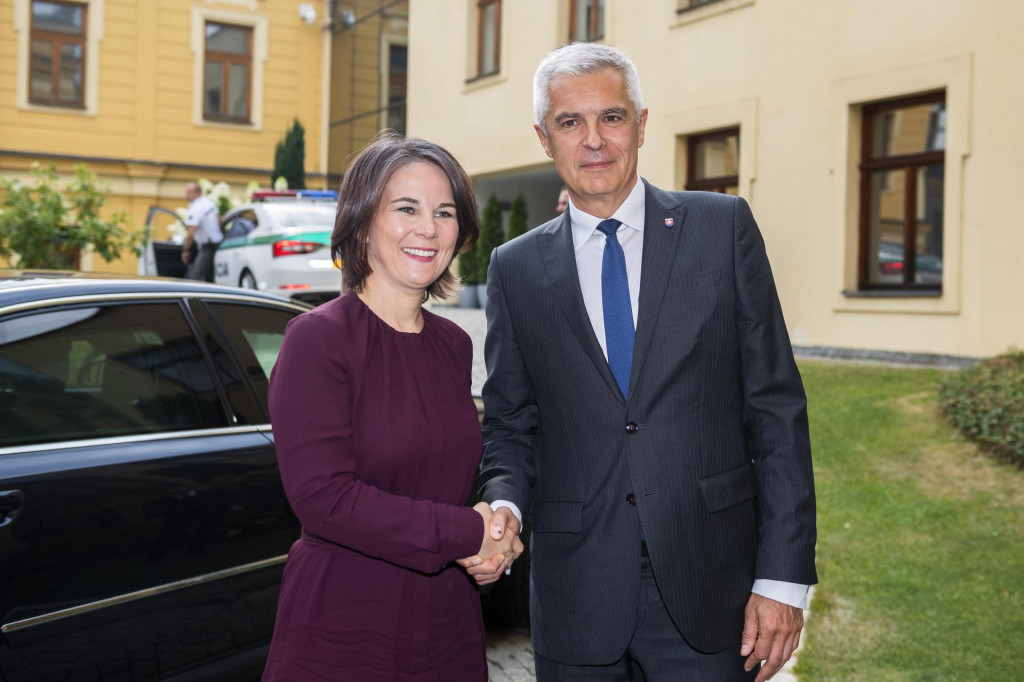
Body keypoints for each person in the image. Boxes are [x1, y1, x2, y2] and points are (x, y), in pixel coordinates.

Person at [462, 43, 817, 681]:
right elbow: (511, 423)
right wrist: (506, 505)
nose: (594, 140)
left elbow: (776, 407)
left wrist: (784, 579)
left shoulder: (723, 227)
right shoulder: (513, 268)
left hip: (712, 589)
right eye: (570, 122)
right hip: (578, 594)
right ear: (545, 138)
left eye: (612, 117)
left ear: (643, 125)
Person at [262, 132, 522, 682]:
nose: (428, 228)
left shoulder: (453, 344)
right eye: (407, 208)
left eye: (444, 212)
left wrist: (491, 540)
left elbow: (447, 478)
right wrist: (464, 532)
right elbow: (324, 500)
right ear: (361, 221)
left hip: (447, 622)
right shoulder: (317, 339)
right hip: (346, 623)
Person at [180, 181, 222, 281]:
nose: (187, 195)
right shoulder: (208, 203)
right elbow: (220, 220)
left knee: (195, 278)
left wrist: (185, 250)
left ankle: (193, 297)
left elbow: (191, 231)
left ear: (197, 193)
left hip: (208, 247)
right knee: (210, 279)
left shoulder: (196, 207)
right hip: (218, 245)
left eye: (189, 192)